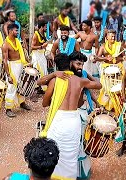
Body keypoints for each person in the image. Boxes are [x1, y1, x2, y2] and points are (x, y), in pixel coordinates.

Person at [37, 51, 99, 179]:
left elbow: (44, 102)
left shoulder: (55, 79)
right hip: (74, 120)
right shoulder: (81, 81)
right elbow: (99, 85)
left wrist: (54, 78)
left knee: (54, 151)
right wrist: (87, 75)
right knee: (71, 155)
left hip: (60, 119)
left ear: (57, 67)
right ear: (70, 64)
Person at [2, 24, 31, 117]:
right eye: (16, 31)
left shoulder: (17, 41)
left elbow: (22, 53)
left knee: (22, 85)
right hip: (12, 67)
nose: (17, 33)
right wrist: (9, 75)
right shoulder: (5, 45)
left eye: (17, 31)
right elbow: (5, 61)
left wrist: (27, 62)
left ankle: (22, 103)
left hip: (20, 65)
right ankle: (8, 108)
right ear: (10, 31)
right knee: (11, 87)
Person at [94, 29, 125, 113]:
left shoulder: (119, 45)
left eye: (114, 36)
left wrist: (119, 58)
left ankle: (116, 106)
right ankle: (105, 106)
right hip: (106, 69)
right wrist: (105, 58)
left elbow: (123, 57)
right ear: (106, 37)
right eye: (111, 36)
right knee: (105, 89)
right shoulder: (103, 47)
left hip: (118, 69)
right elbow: (97, 58)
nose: (113, 38)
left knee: (117, 88)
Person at [31, 20, 49, 90]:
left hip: (41, 55)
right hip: (36, 55)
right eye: (45, 27)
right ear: (41, 27)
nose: (46, 28)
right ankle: (38, 86)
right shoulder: (36, 35)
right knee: (38, 70)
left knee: (44, 70)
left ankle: (42, 86)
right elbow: (32, 47)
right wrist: (41, 47)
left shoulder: (42, 34)